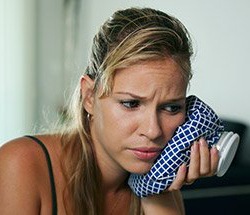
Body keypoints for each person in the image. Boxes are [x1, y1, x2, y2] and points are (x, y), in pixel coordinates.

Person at [0, 7, 219, 215]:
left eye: (171, 108)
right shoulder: (20, 166)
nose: (153, 131)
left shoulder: (161, 190)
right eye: (131, 104)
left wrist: (156, 192)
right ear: (89, 97)